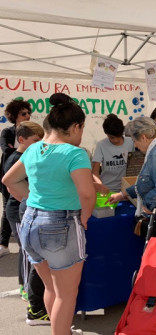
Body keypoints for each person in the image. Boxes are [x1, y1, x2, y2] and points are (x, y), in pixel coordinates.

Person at [2, 93, 95, 335]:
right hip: (62, 224)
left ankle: (59, 329)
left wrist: (29, 198)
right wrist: (84, 217)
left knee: (51, 288)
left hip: (30, 222)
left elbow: (8, 180)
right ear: (76, 126)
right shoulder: (75, 154)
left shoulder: (33, 150)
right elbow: (87, 193)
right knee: (65, 293)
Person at [2, 121, 48, 325]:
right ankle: (30, 295)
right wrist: (31, 199)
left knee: (28, 253)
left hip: (23, 209)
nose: (40, 144)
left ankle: (29, 291)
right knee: (27, 254)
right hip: (18, 211)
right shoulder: (16, 158)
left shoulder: (26, 156)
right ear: (22, 140)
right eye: (35, 141)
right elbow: (10, 186)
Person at [0, 99, 32, 258]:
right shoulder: (7, 132)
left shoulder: (31, 133)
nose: (27, 116)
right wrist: (20, 152)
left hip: (25, 177)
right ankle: (3, 243)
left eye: (28, 113)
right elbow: (6, 150)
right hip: (9, 174)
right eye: (23, 113)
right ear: (14, 116)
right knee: (8, 206)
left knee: (24, 205)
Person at [92, 114, 135, 193]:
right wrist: (100, 186)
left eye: (118, 136)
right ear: (107, 134)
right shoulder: (101, 145)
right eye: (112, 137)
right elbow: (95, 171)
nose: (116, 140)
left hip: (126, 189)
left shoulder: (131, 142)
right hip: (107, 189)